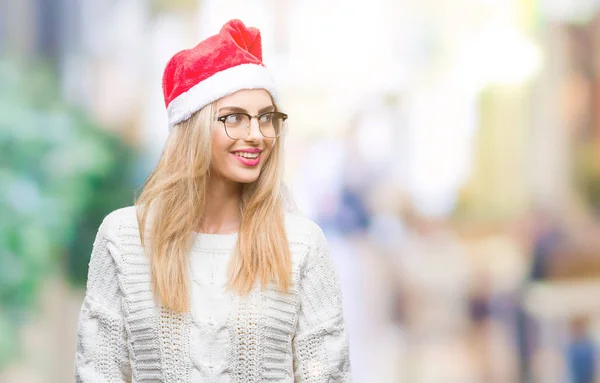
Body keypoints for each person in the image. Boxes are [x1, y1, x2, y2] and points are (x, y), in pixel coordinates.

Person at [74, 19, 351, 382]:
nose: (256, 134)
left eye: (266, 118)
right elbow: (98, 372)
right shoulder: (124, 237)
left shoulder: (301, 243)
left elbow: (327, 375)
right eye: (234, 118)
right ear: (194, 126)